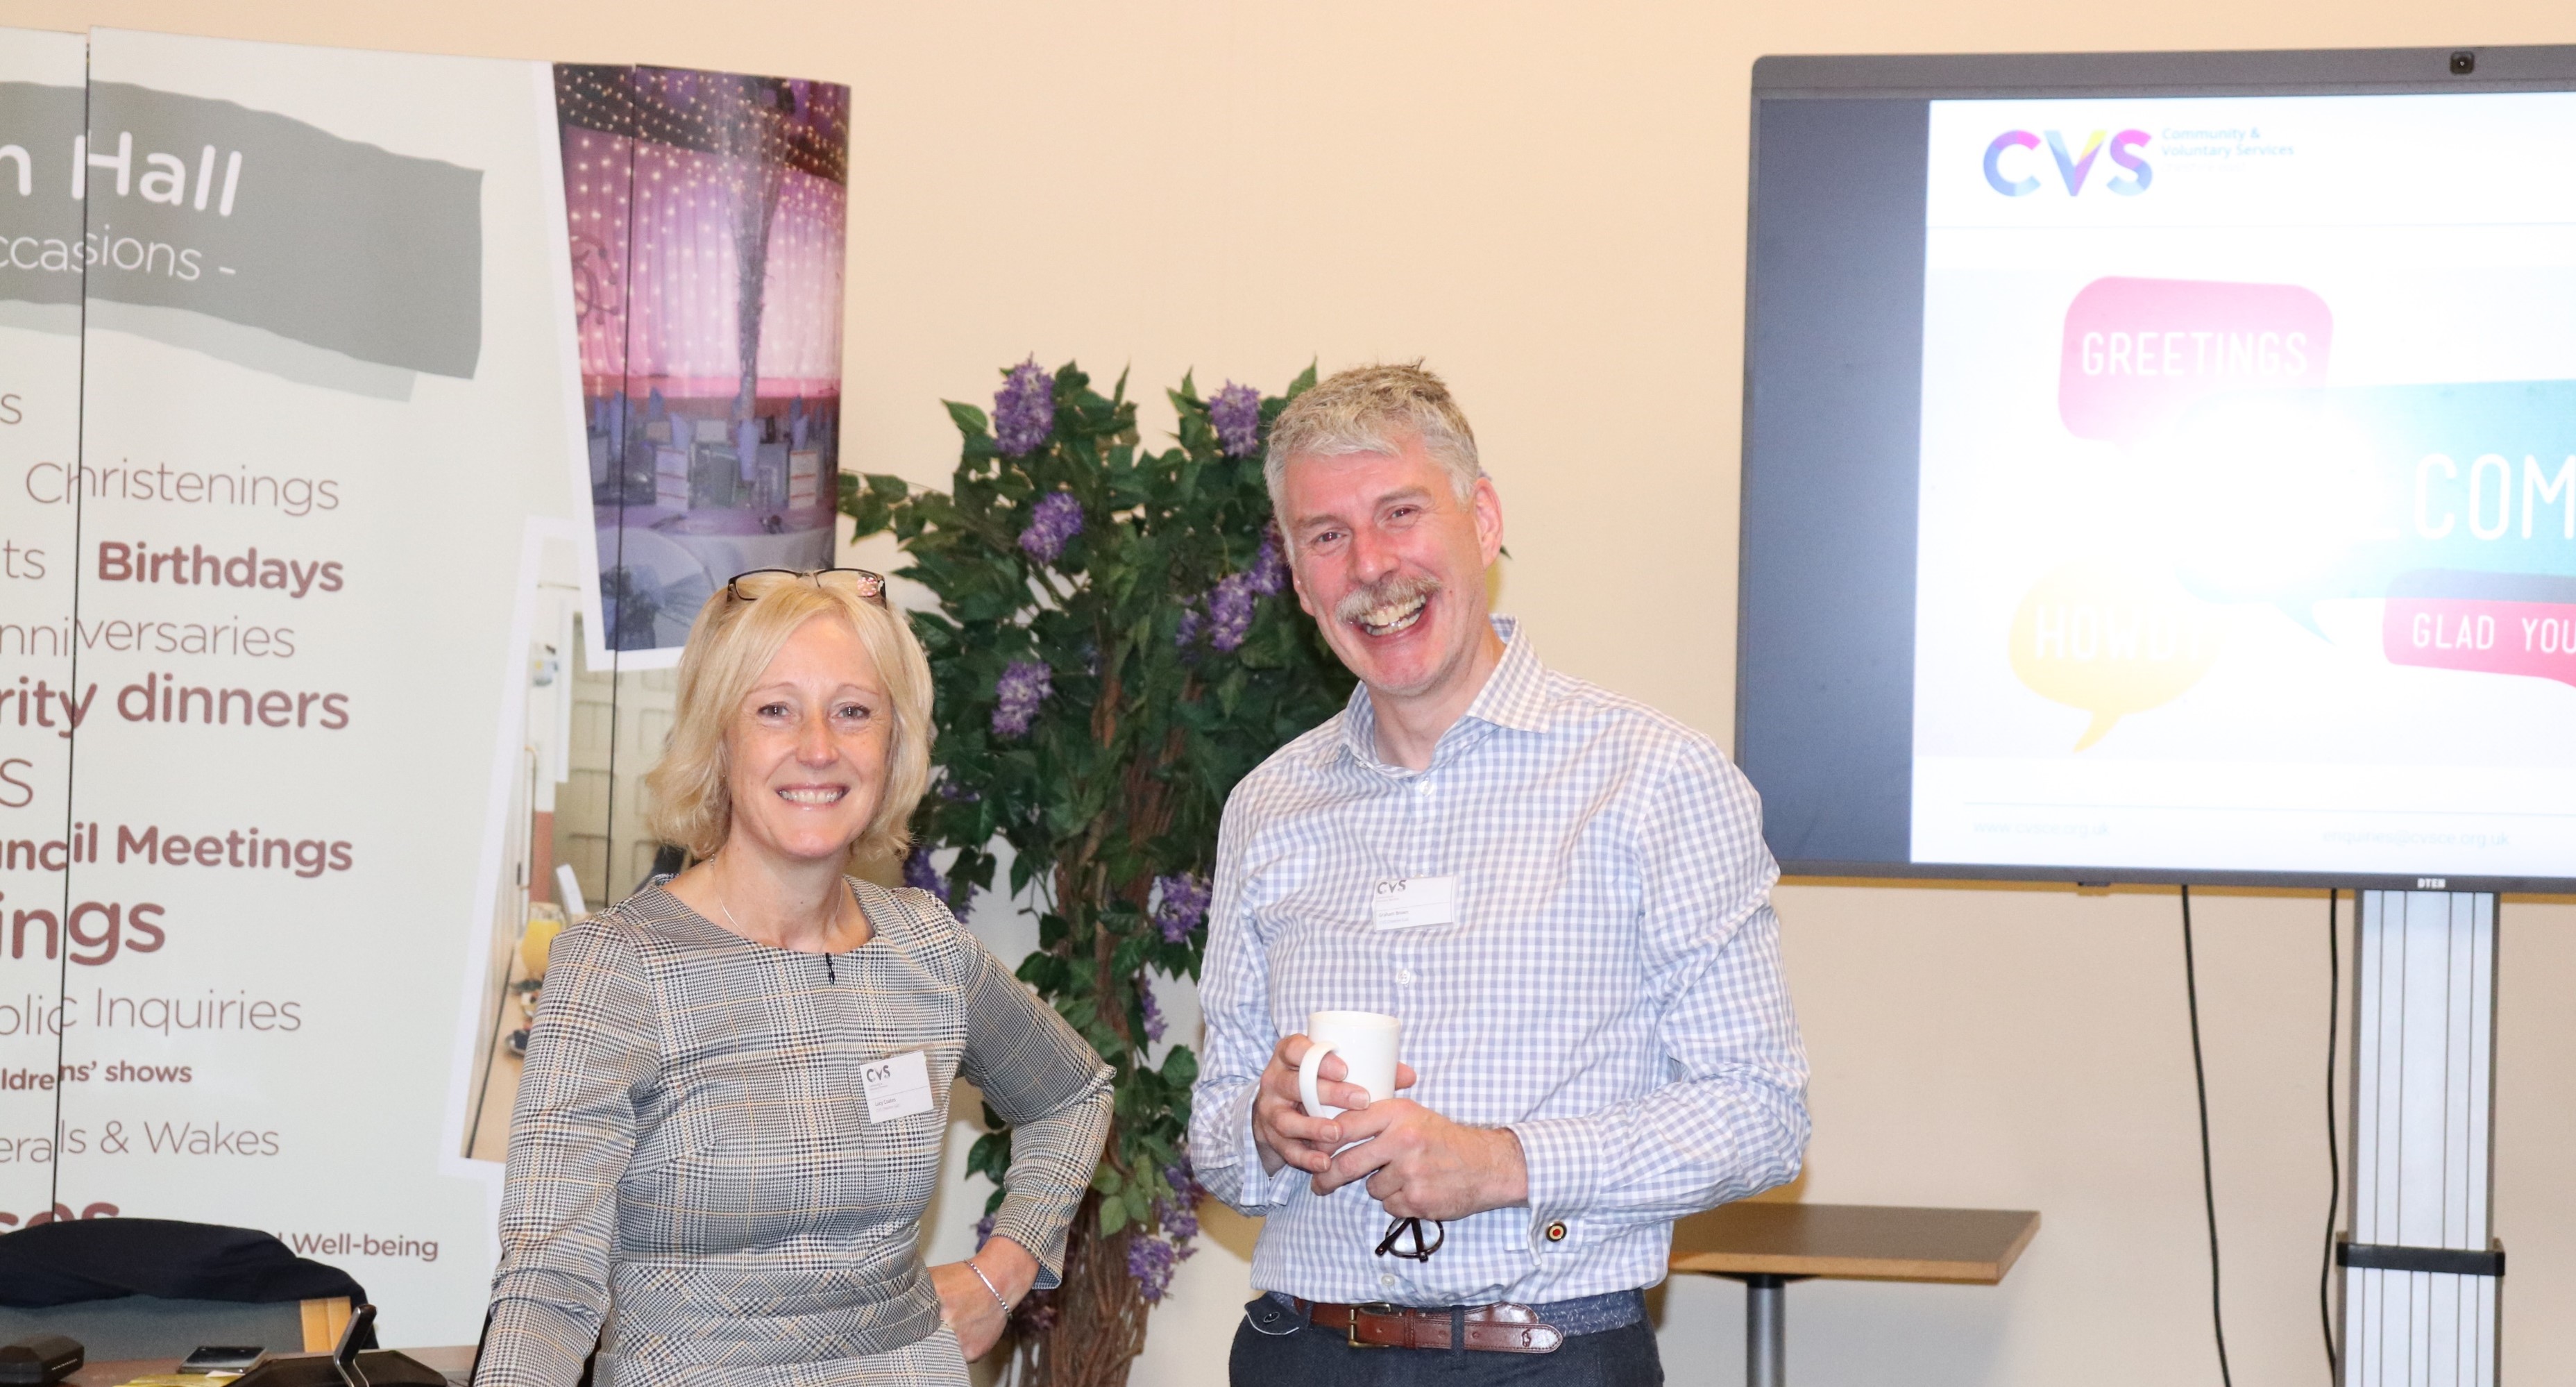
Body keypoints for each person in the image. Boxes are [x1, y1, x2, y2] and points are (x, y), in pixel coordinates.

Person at [1188, 364, 1810, 1384]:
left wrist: (1506, 1162)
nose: (1372, 566)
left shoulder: (1656, 779)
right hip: (1301, 1352)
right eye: (1328, 536)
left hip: (1549, 1356)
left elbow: (1761, 1114)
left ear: (1481, 519)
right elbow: (1217, 1142)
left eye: (1400, 513)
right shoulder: (1267, 806)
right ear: (1297, 578)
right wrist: (1263, 1126)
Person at [479, 569, 1112, 1387]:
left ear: (893, 743)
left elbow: (1073, 1094)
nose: (818, 747)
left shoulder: (925, 947)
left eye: (853, 711)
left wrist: (1005, 1268)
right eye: (774, 709)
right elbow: (548, 1287)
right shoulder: (620, 967)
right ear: (719, 739)